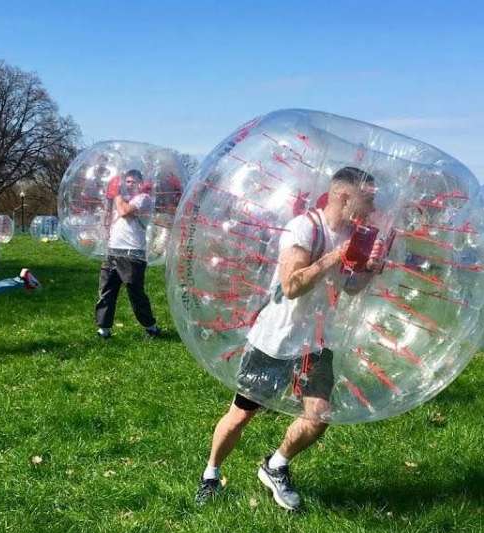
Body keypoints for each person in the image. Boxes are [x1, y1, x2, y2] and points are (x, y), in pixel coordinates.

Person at [196, 167, 382, 511]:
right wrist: (333, 256)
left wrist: (370, 269)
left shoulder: (353, 235)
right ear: (344, 196)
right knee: (240, 415)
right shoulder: (304, 228)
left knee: (319, 416)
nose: (373, 206)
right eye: (367, 198)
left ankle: (276, 465)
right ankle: (211, 473)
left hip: (317, 342)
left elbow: (349, 288)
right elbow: (292, 286)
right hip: (277, 340)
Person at [95, 169, 160, 339]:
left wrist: (115, 194)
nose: (130, 185)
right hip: (113, 251)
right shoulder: (121, 201)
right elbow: (110, 219)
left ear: (141, 183)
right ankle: (104, 329)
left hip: (132, 253)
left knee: (135, 292)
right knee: (106, 290)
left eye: (133, 181)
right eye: (127, 182)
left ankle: (151, 327)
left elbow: (124, 211)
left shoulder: (143, 199)